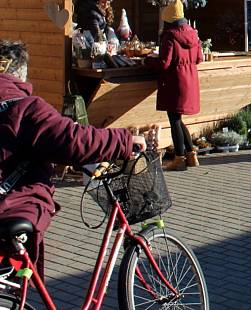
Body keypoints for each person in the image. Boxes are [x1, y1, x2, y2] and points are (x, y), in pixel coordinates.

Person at [0, 40, 145, 278]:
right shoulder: (25, 108)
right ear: (20, 75)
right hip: (11, 208)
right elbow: (74, 140)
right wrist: (125, 141)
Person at [152, 0, 203, 170]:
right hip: (190, 80)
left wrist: (148, 62)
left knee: (174, 120)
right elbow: (199, 59)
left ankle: (179, 159)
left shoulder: (169, 36)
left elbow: (164, 63)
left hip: (174, 81)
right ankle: (191, 155)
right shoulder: (193, 34)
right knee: (178, 119)